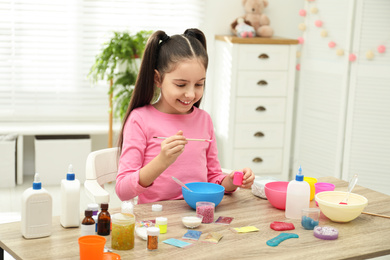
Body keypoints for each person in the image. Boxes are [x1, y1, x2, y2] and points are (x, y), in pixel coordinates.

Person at [115, 28, 255, 204]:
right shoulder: (140, 120)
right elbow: (122, 190)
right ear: (157, 79)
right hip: (157, 222)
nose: (190, 94)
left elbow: (213, 177)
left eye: (199, 84)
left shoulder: (204, 120)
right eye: (181, 85)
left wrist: (232, 180)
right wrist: (162, 161)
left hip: (200, 215)